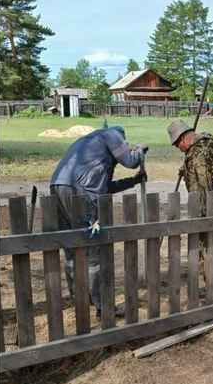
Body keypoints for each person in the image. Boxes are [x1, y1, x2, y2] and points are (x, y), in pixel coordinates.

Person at [50, 125, 147, 317]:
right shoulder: (112, 134)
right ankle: (104, 306)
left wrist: (133, 181)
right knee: (94, 252)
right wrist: (140, 148)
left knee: (71, 248)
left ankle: (79, 299)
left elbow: (104, 188)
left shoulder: (87, 144)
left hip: (57, 186)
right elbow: (130, 160)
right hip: (79, 193)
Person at [168, 118, 213, 295]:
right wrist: (186, 167)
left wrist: (199, 219)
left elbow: (203, 187)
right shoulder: (210, 143)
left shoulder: (197, 155)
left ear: (182, 140)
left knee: (208, 253)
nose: (180, 150)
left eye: (178, 146)